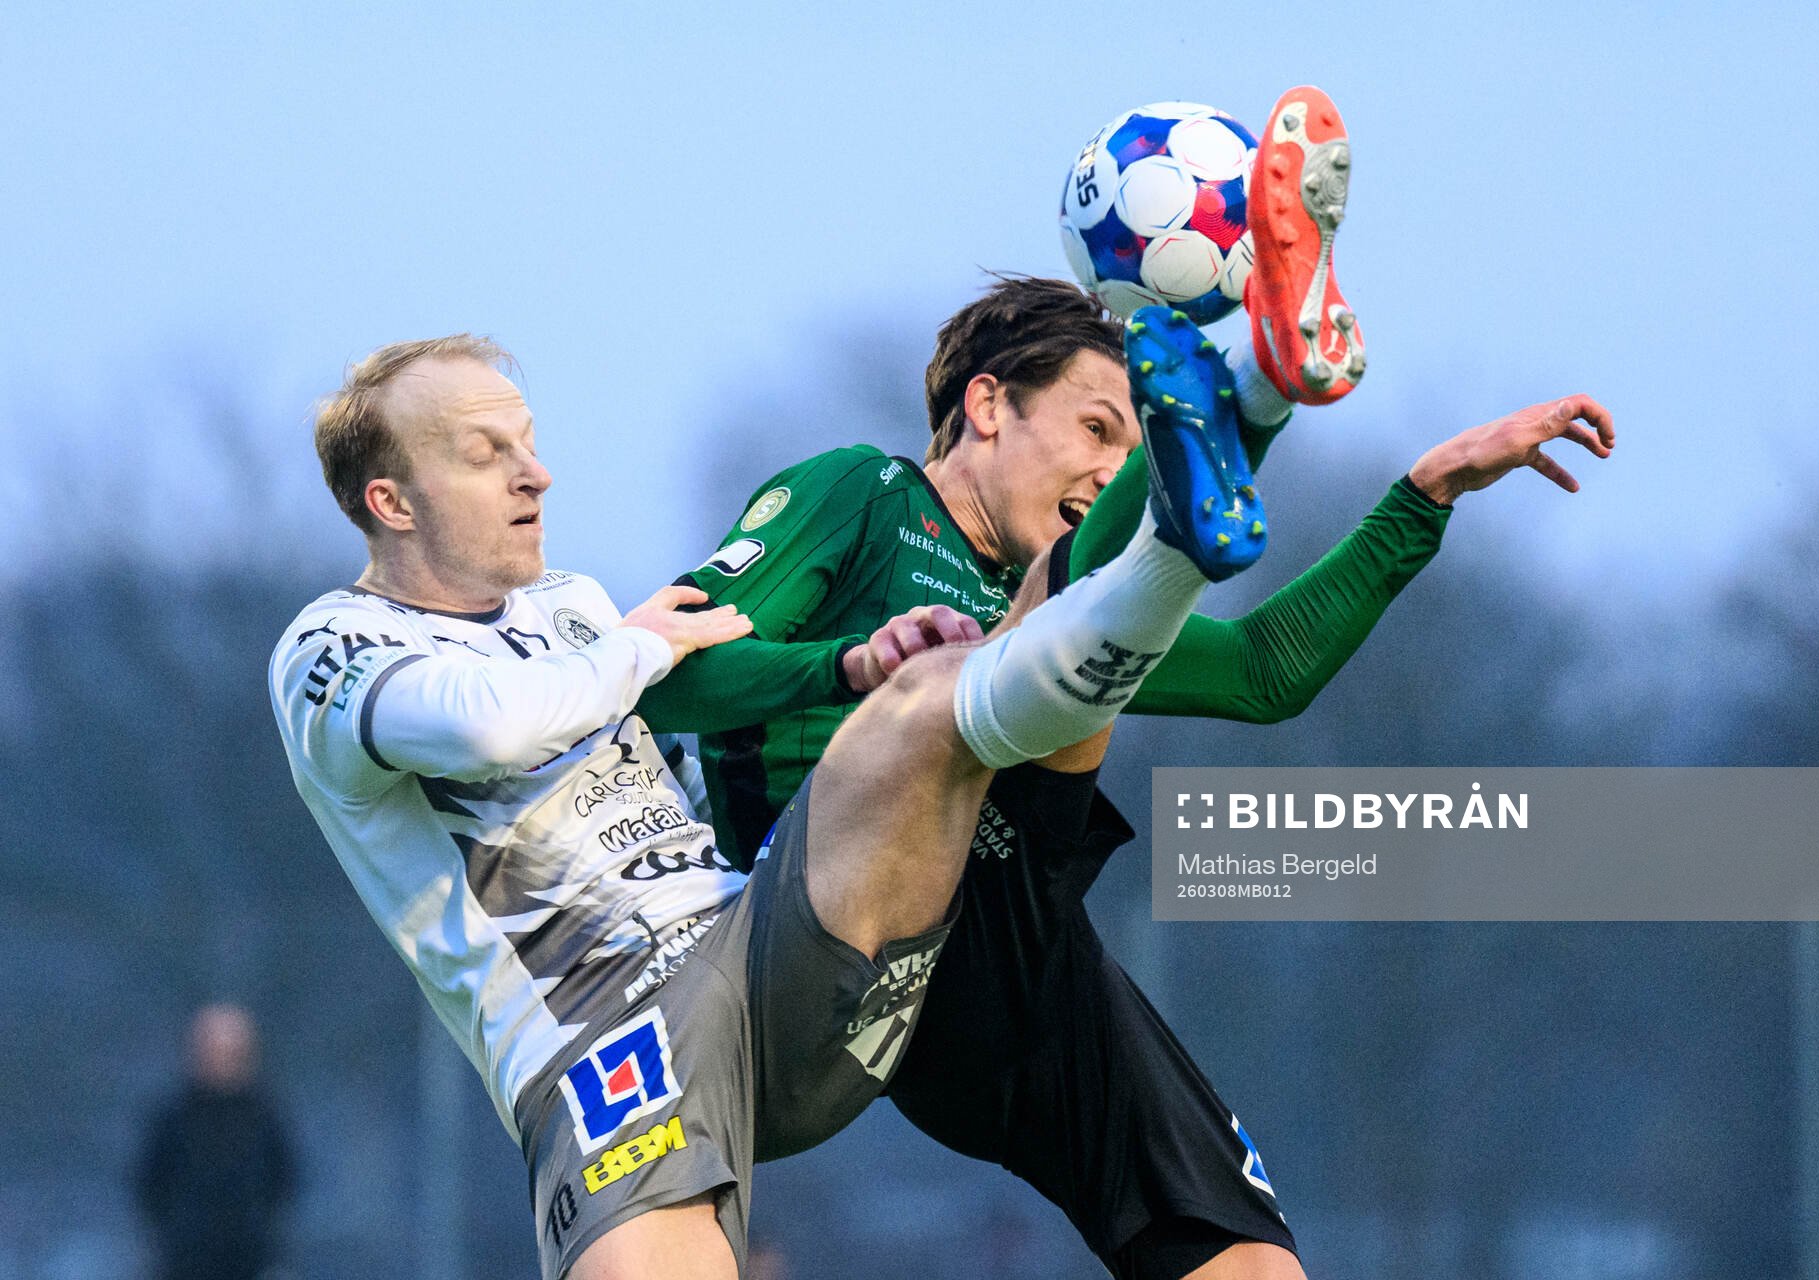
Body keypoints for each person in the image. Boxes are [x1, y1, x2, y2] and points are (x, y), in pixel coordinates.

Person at [649, 87, 1614, 1280]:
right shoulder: (862, 493)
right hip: (842, 934)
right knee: (1049, 621)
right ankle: (1255, 372)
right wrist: (849, 662)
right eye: (1100, 427)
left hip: (1026, 957)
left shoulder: (1046, 596)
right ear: (986, 407)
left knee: (1250, 1264)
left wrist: (1423, 499)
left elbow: (1266, 670)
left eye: (1132, 439)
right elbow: (670, 687)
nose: (1106, 461)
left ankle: (1247, 384)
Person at [269, 311, 1265, 1279]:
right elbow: (485, 722)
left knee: (944, 685)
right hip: (596, 1039)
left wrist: (838, 668)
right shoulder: (334, 647)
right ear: (392, 502)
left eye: (529, 443)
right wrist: (640, 645)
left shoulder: (571, 606)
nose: (537, 472)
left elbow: (673, 763)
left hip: (755, 952)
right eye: (488, 454)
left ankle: (1229, 421)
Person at [136, 1004, 297, 1280]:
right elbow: (150, 1184)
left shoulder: (266, 1118)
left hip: (252, 1262)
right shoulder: (173, 1117)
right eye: (212, 1049)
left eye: (230, 1051)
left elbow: (283, 1181)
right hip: (185, 1264)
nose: (220, 1059)